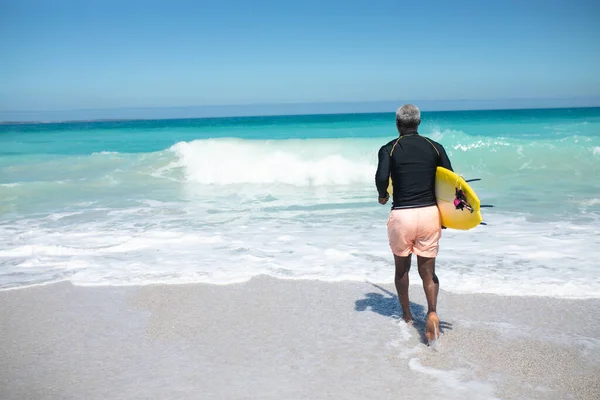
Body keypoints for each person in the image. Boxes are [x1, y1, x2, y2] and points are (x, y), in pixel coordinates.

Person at [375, 104, 453, 343]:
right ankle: (431, 311)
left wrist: (382, 195)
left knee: (402, 269)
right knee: (428, 272)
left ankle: (408, 316)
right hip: (430, 214)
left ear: (398, 124)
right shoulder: (434, 146)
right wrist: (448, 216)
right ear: (418, 123)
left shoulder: (389, 148)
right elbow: (450, 180)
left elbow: (381, 178)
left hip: (403, 216)